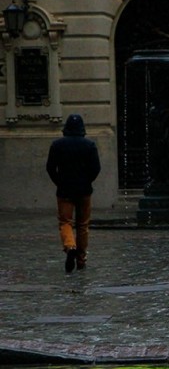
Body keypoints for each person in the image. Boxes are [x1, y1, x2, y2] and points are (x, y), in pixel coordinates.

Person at [46, 113, 101, 273]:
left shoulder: (57, 145)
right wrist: (87, 181)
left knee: (65, 222)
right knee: (83, 225)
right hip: (84, 190)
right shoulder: (89, 145)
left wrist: (59, 181)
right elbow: (96, 168)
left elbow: (50, 168)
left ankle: (70, 246)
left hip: (64, 190)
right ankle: (81, 260)